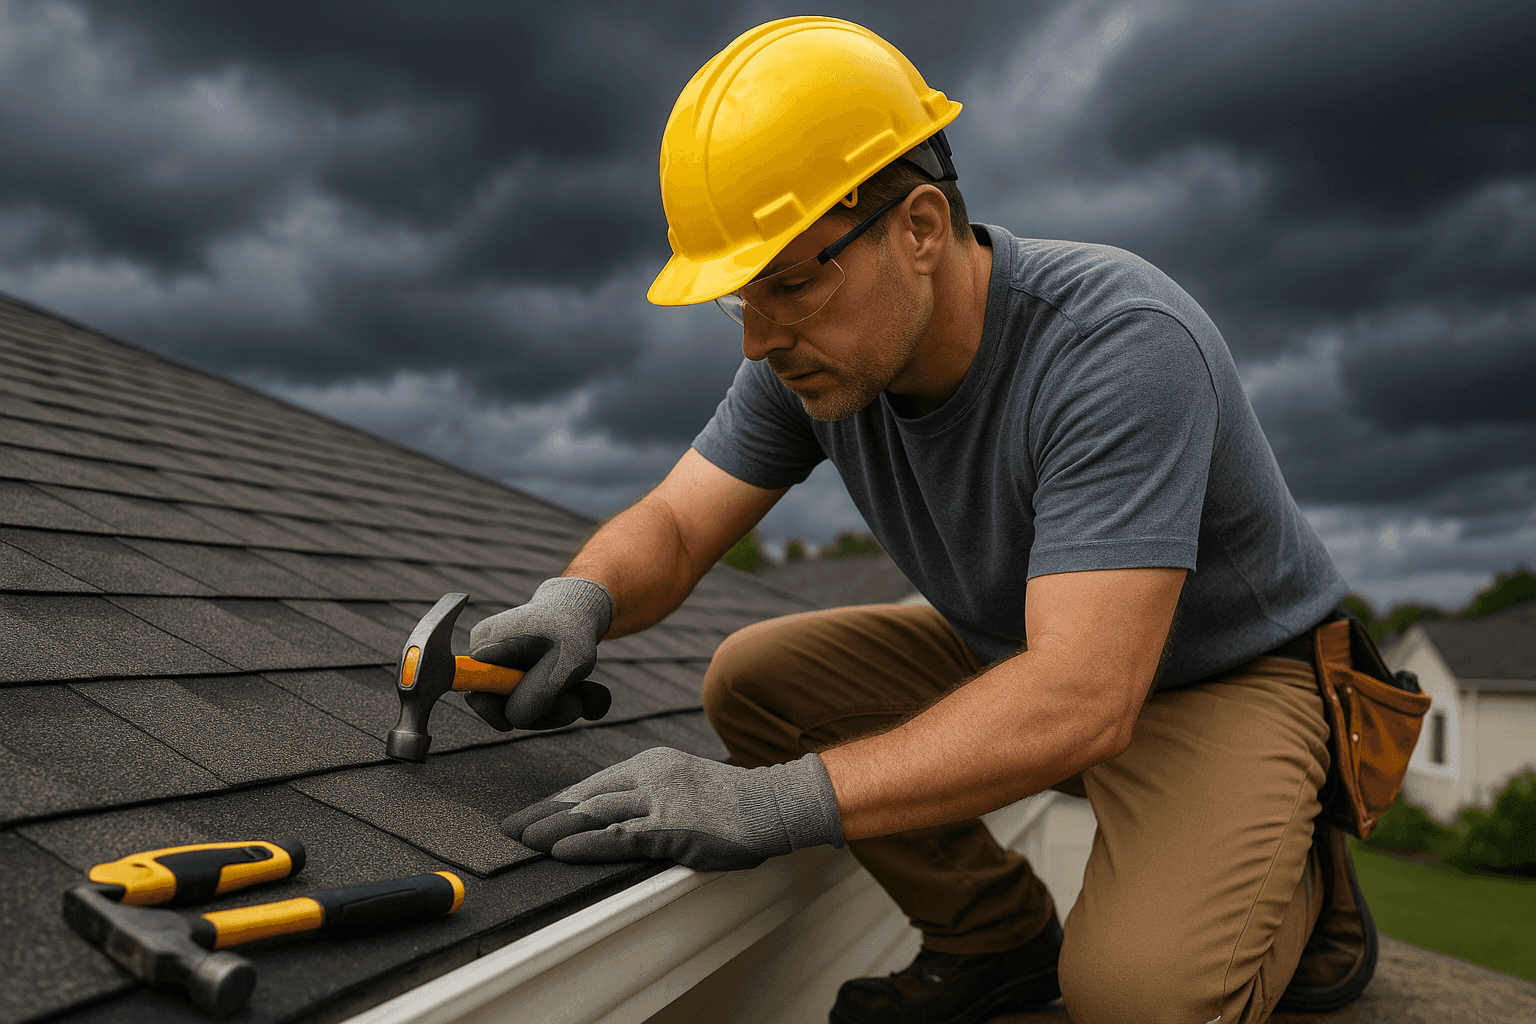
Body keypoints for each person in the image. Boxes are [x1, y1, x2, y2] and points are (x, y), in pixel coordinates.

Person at [468, 17, 1377, 1024]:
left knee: (1137, 999)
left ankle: (1296, 859)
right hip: (1029, 650)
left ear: (920, 227)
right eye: (739, 301)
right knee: (758, 683)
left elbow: (1083, 698)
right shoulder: (812, 357)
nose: (763, 337)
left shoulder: (1119, 345)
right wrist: (576, 601)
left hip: (1223, 679)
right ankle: (994, 938)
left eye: (791, 279)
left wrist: (767, 804)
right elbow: (679, 526)